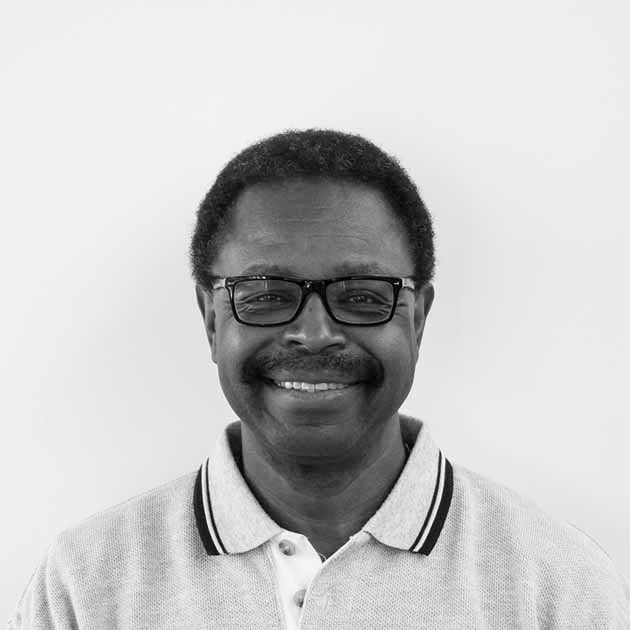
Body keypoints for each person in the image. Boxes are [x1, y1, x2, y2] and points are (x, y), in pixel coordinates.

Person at [9, 129, 630, 629]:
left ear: (418, 318)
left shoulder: (557, 584)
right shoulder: (86, 583)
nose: (314, 333)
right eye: (266, 294)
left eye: (362, 296)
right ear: (211, 318)